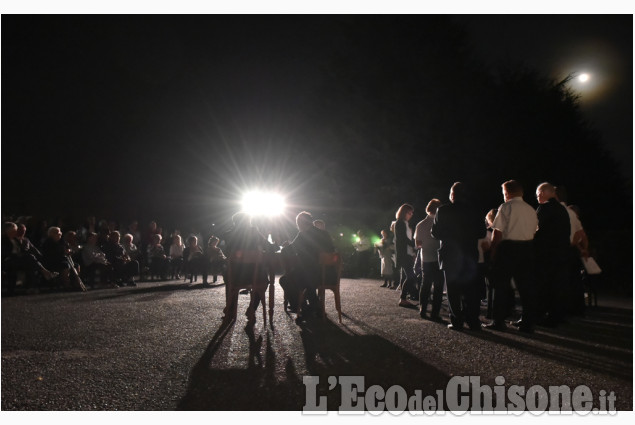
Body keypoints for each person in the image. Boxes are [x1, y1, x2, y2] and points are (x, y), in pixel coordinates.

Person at [431, 182, 486, 331]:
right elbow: (482, 233)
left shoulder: (443, 210)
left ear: (452, 195)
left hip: (450, 254)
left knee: (453, 291)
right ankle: (473, 321)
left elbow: (435, 233)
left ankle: (457, 321)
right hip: (469, 254)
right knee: (471, 290)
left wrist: (450, 235)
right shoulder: (474, 210)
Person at [485, 180, 538, 333]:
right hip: (527, 247)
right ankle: (528, 322)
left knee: (501, 285)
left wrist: (494, 251)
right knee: (525, 287)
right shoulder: (530, 209)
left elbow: (498, 232)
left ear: (507, 193)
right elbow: (534, 231)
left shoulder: (506, 207)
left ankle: (499, 320)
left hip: (508, 248)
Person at [221, 212, 275, 323]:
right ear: (248, 221)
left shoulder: (228, 234)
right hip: (254, 275)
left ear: (235, 223)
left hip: (236, 275)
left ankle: (230, 309)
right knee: (264, 282)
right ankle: (252, 308)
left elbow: (227, 254)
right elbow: (269, 247)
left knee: (228, 276)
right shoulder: (254, 231)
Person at [284, 211, 335, 322]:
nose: (298, 226)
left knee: (286, 280)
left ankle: (304, 308)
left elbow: (290, 250)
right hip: (329, 273)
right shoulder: (324, 233)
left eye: (298, 223)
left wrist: (284, 247)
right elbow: (332, 251)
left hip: (311, 273)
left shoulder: (303, 234)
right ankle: (316, 307)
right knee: (307, 282)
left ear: (301, 223)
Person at [534, 182, 570, 327]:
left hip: (546, 253)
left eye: (537, 195)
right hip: (562, 252)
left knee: (545, 285)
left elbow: (537, 230)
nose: (537, 198)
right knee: (558, 284)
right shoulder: (563, 210)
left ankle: (545, 315)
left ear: (542, 193)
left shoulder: (544, 208)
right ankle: (558, 315)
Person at [555, 186, 588, 316]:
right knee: (575, 280)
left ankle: (563, 309)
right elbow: (582, 235)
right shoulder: (572, 213)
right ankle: (578, 309)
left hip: (561, 249)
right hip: (572, 250)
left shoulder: (557, 212)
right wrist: (584, 249)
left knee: (561, 280)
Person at [2, 222, 58, 293]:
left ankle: (31, 287)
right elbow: (5, 253)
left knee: (31, 264)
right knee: (30, 258)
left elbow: (29, 251)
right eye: (14, 231)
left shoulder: (17, 240)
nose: (16, 232)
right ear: (8, 231)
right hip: (8, 261)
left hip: (19, 260)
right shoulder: (3, 240)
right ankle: (46, 273)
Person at [413, 198, 444, 320]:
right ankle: (435, 313)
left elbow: (417, 244)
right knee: (438, 286)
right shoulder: (441, 223)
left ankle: (423, 309)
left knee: (425, 284)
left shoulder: (420, 224)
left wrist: (426, 244)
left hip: (425, 258)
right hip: (438, 257)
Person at [394, 203, 418, 307]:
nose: (411, 214)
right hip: (404, 254)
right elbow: (403, 239)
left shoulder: (405, 223)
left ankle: (404, 298)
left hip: (407, 253)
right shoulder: (400, 223)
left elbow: (407, 239)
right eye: (409, 212)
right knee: (411, 276)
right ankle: (403, 298)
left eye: (412, 213)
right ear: (404, 212)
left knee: (406, 276)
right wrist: (415, 244)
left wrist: (413, 250)